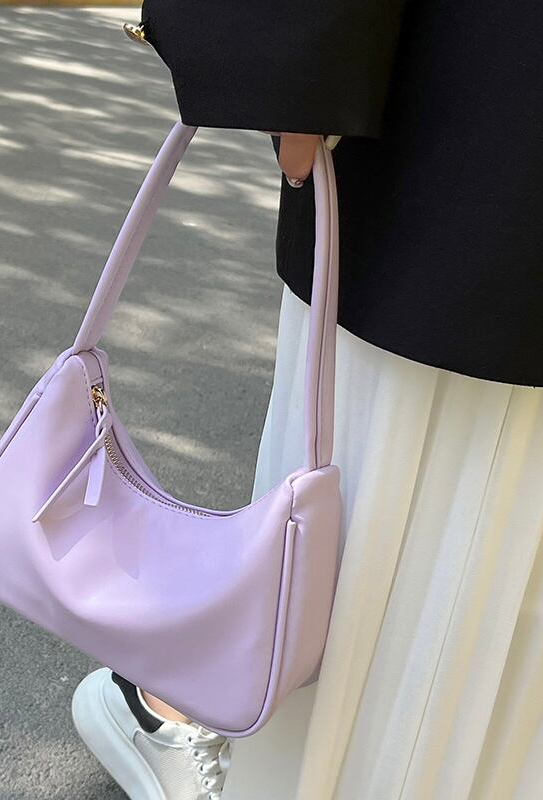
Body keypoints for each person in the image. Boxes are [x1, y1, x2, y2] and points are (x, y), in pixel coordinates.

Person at [71, 1, 543, 798]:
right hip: (470, 146)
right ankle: (200, 723)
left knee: (395, 548)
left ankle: (199, 723)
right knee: (383, 541)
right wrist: (298, 61)